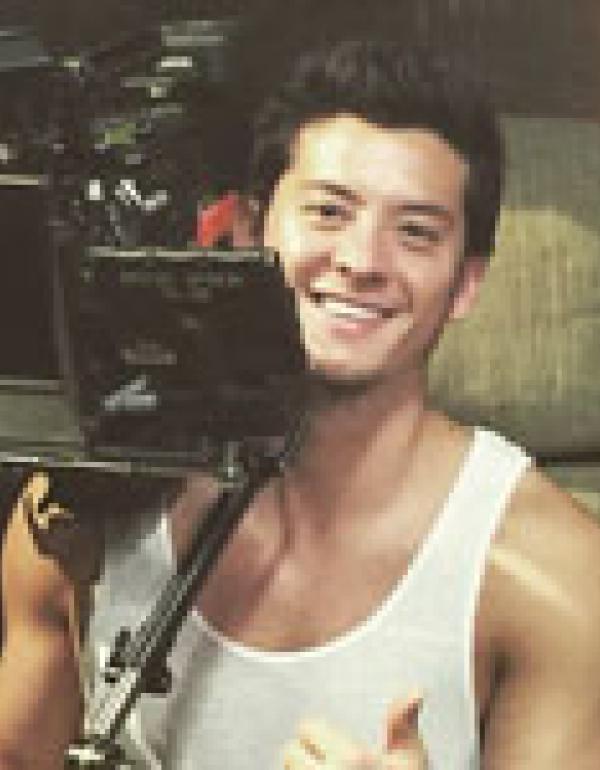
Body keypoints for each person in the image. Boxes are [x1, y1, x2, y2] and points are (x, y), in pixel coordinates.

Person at [1, 38, 600, 770]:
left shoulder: (551, 576)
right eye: (328, 212)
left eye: (415, 232)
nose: (361, 260)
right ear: (246, 229)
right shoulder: (79, 508)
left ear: (466, 283)